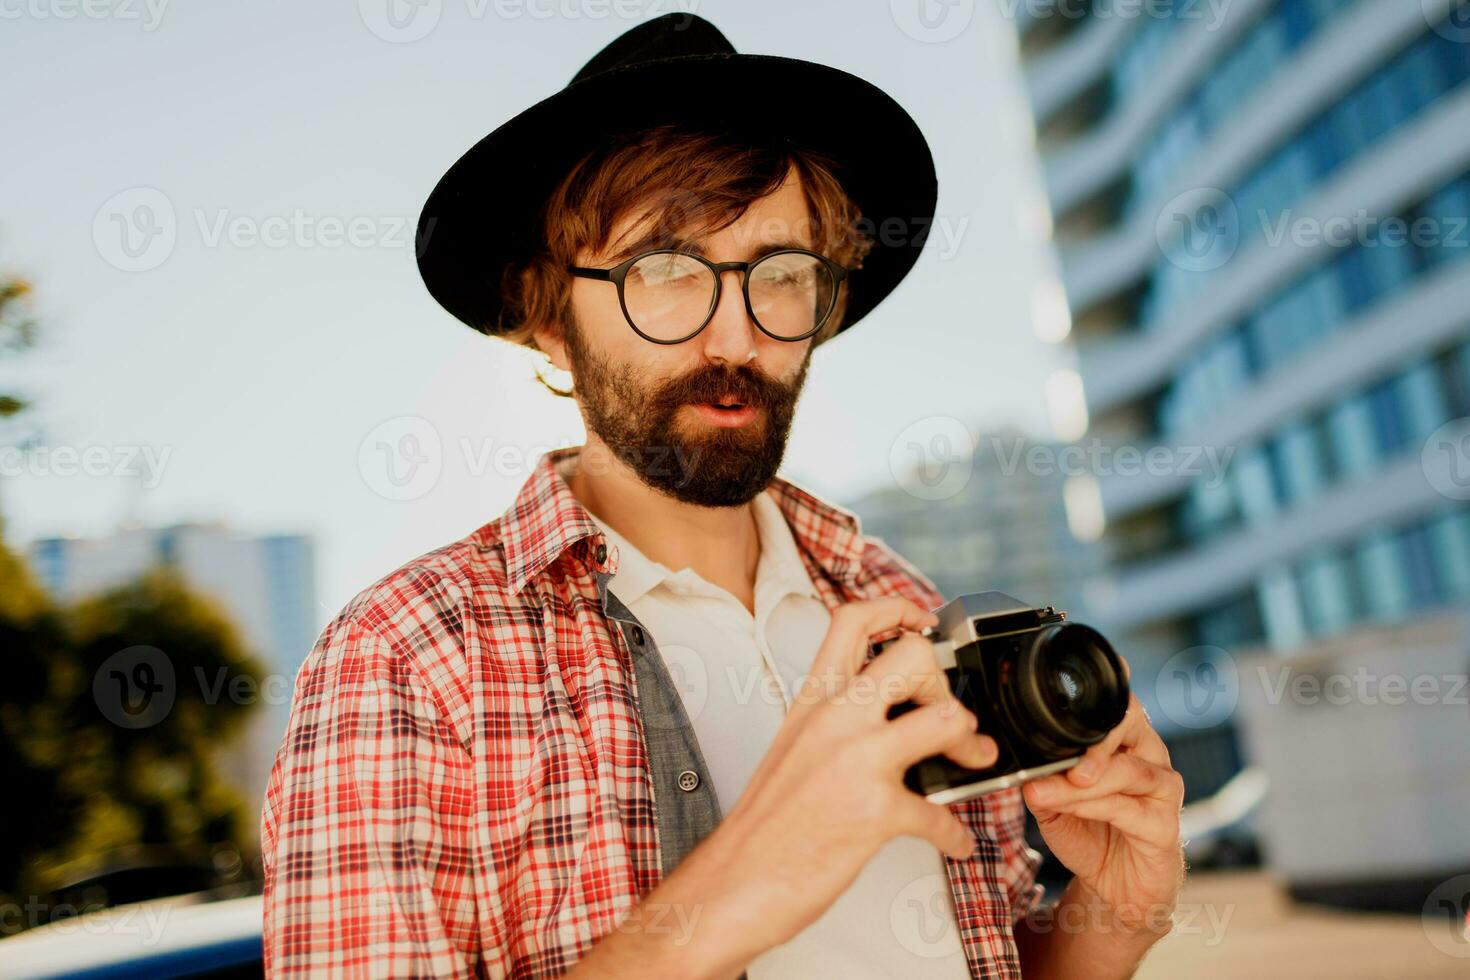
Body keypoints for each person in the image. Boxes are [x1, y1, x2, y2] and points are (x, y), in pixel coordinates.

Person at [260, 13, 1185, 979]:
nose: (738, 339)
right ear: (547, 317)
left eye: (781, 275)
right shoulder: (408, 657)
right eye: (663, 269)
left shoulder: (900, 608)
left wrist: (1113, 916)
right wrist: (743, 884)